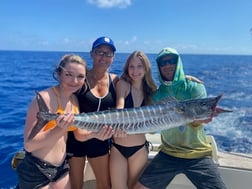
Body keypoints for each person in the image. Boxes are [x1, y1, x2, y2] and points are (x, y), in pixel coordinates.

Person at [134, 47, 227, 189]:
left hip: (197, 154)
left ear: (178, 63)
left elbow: (199, 122)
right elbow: (152, 130)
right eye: (163, 63)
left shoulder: (195, 87)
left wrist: (198, 121)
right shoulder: (156, 95)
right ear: (159, 67)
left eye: (171, 61)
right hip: (168, 153)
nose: (167, 65)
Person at [66, 36, 119, 189]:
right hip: (75, 139)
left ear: (113, 57)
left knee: (105, 185)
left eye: (108, 53)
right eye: (99, 52)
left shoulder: (116, 81)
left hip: (100, 140)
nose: (104, 56)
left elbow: (142, 84)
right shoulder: (80, 79)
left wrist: (186, 78)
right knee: (76, 186)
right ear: (92, 54)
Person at [109, 51, 157, 189]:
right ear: (127, 68)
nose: (135, 71)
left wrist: (187, 78)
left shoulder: (152, 91)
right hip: (118, 148)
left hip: (139, 149)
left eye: (139, 66)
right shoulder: (123, 84)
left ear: (146, 68)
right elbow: (119, 108)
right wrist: (116, 125)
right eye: (131, 66)